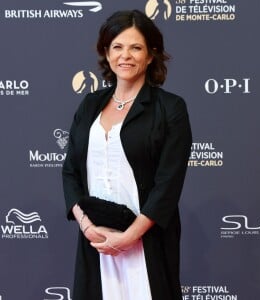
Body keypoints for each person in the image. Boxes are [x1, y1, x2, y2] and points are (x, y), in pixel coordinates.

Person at [62, 9, 192, 300]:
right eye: (117, 47)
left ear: (150, 55)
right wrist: (87, 226)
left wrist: (129, 237)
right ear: (107, 54)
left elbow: (168, 184)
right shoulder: (90, 105)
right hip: (95, 240)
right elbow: (70, 171)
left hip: (146, 240)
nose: (126, 55)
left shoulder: (170, 108)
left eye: (136, 47)